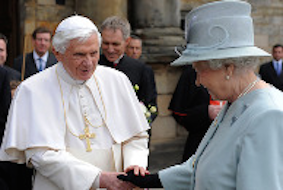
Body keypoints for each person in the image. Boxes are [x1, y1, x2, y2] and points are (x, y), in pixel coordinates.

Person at [118, 1, 283, 189]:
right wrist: (153, 180)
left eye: (199, 71)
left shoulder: (268, 115)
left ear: (228, 68)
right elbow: (201, 167)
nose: (197, 81)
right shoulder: (236, 101)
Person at [0, 15, 150, 190]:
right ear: (58, 53)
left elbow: (135, 136)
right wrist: (97, 179)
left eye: (94, 53)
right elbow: (41, 155)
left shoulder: (117, 80)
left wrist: (134, 165)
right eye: (79, 54)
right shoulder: (32, 90)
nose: (89, 63)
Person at [99, 16, 158, 124]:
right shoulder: (93, 66)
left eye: (115, 44)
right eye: (106, 43)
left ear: (127, 41)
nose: (110, 49)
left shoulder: (142, 69)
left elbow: (151, 108)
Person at [168, 65, 223, 162]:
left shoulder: (238, 70)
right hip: (200, 143)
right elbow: (179, 113)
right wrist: (206, 112)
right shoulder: (192, 73)